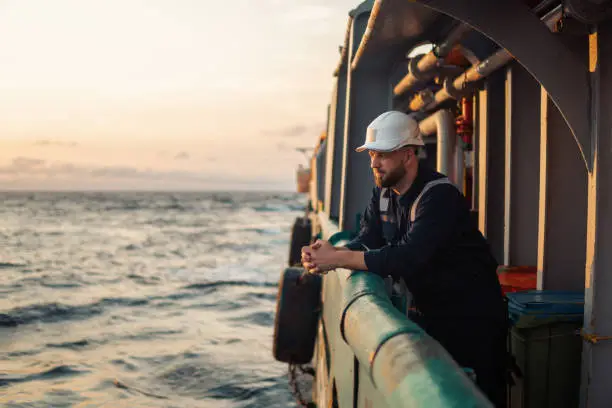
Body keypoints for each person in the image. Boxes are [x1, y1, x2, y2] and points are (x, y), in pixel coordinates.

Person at [301, 110, 508, 407]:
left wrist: (338, 259)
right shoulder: (384, 193)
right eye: (372, 154)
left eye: (382, 155)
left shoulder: (439, 197)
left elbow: (407, 258)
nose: (374, 163)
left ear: (409, 155)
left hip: (472, 321)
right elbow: (367, 240)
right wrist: (326, 252)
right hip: (431, 314)